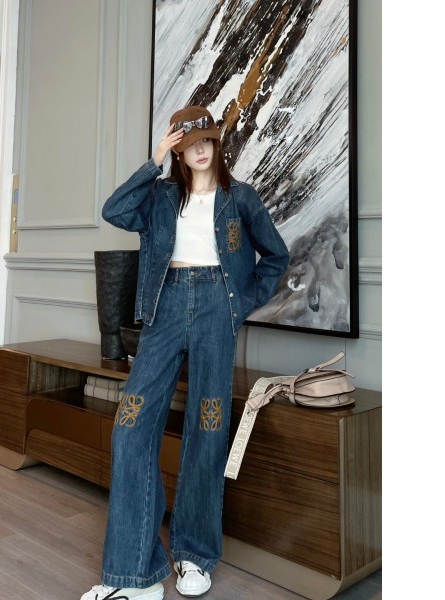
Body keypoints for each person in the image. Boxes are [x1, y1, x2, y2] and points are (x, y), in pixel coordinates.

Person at [81, 106, 289, 600]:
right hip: (165, 305)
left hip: (217, 306)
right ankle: (134, 577)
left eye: (207, 140)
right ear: (177, 148)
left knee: (207, 429)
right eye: (188, 141)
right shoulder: (160, 196)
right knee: (131, 427)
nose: (199, 148)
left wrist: (240, 304)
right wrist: (153, 161)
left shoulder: (240, 198)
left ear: (217, 144)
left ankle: (194, 554)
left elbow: (276, 255)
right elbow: (114, 210)